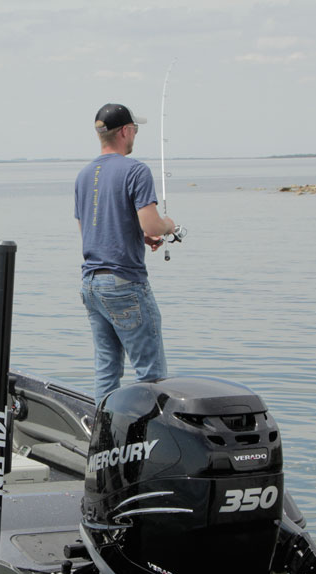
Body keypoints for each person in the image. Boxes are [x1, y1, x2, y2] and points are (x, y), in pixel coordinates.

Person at [74, 103, 178, 403]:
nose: (135, 135)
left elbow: (90, 231)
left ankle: (104, 438)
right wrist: (167, 226)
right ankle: (152, 444)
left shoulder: (83, 176)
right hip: (125, 284)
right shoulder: (136, 170)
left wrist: (139, 235)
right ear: (124, 131)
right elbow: (152, 222)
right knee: (152, 375)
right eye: (134, 129)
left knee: (107, 371)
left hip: (92, 284)